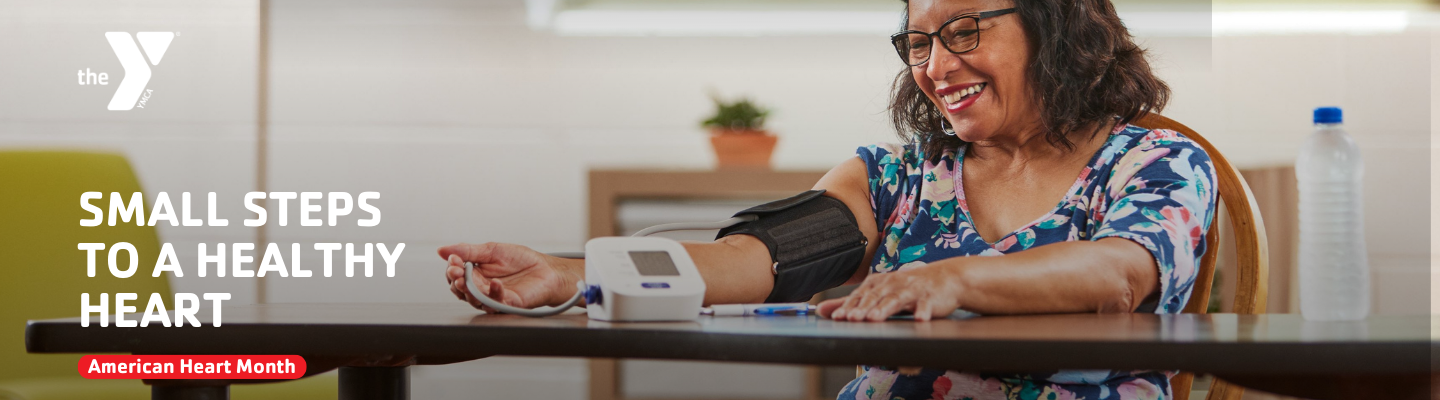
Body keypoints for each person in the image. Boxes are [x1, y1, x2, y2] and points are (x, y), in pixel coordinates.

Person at [440, 0, 1214, 398]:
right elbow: (760, 261)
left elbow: (1118, 273)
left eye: (964, 31)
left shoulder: (1154, 161)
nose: (936, 64)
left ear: (1059, 25)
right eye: (919, 41)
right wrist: (575, 277)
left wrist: (949, 278)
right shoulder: (894, 176)